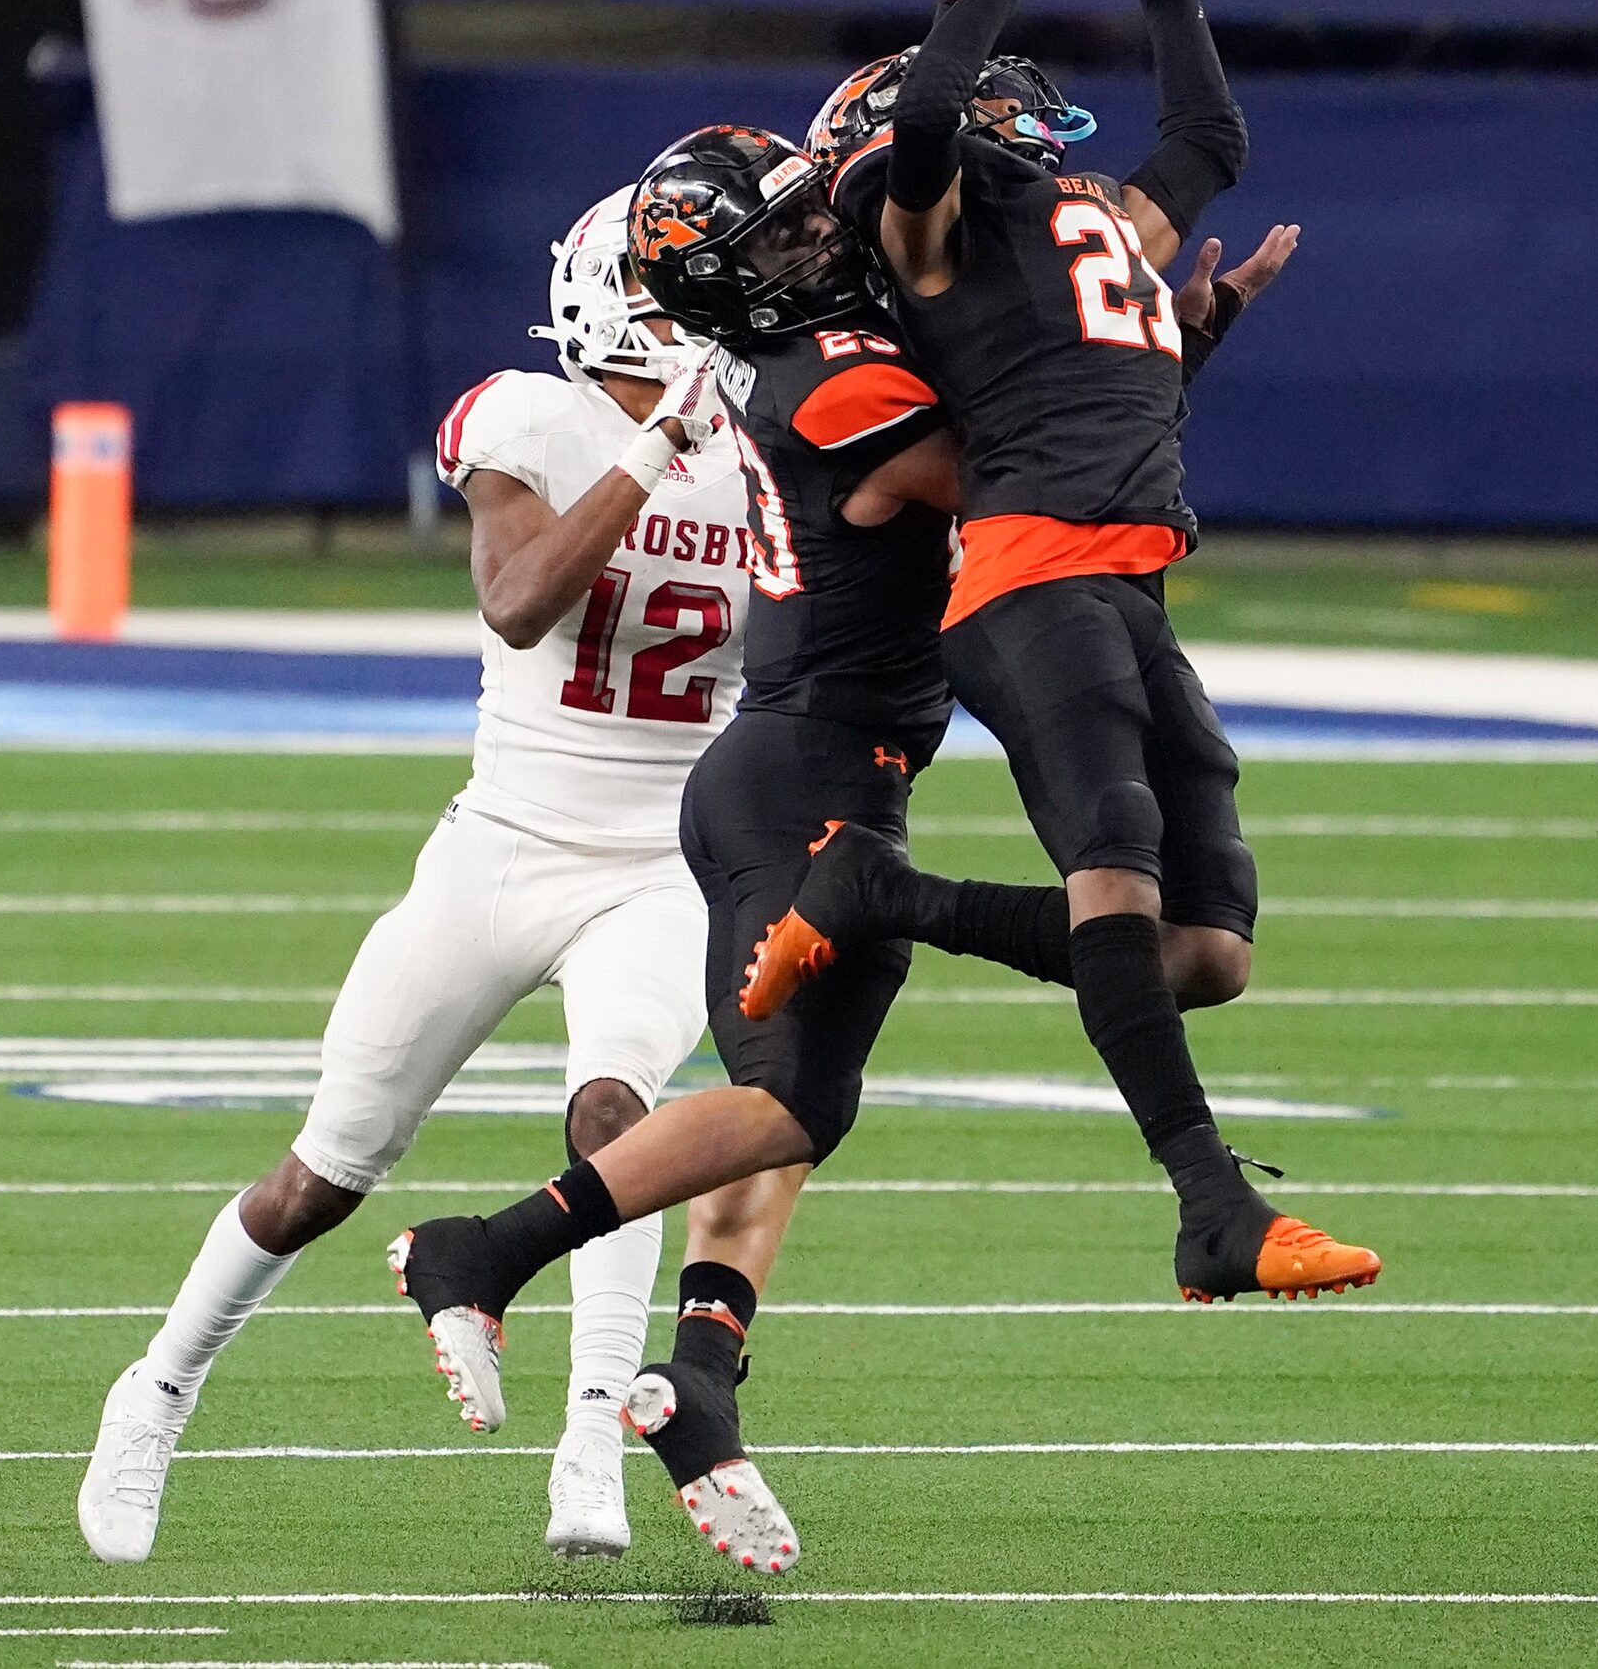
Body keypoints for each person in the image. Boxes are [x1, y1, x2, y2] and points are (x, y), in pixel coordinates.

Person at [387, 121, 1286, 1571]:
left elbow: (1050, 418)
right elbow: (1034, 467)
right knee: (786, 1106)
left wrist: (1161, 322)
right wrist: (1142, 338)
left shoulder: (847, 345)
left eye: (817, 217)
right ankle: (487, 1254)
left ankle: (692, 1384)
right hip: (793, 769)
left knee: (797, 1105)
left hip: (836, 762)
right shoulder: (837, 379)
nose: (821, 236)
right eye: (790, 232)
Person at [78, 187, 751, 1567]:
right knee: (326, 1170)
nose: (734, 306)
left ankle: (590, 1439)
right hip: (503, 844)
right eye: (703, 279)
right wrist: (652, 445)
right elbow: (516, 600)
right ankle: (156, 1387)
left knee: (622, 1119)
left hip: (663, 862)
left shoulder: (770, 447)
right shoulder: (530, 417)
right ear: (623, 294)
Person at [750, 0, 1380, 1306]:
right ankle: (1211, 1203)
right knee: (1111, 875)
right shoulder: (930, 229)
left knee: (1204, 952)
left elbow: (1207, 133)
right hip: (1030, 585)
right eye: (999, 103)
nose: (1030, 122)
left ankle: (876, 889)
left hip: (1128, 581)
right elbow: (921, 122)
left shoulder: (1079, 223)